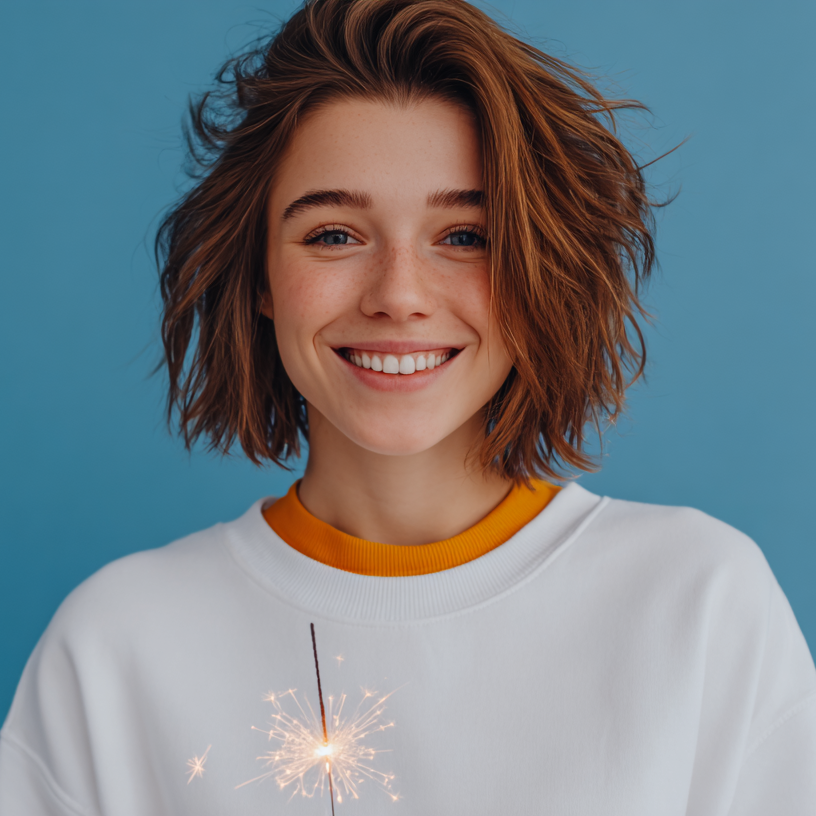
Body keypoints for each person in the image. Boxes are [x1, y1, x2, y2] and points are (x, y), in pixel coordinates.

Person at [1, 0, 814, 813]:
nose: (398, 296)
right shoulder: (115, 646)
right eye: (333, 235)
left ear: (538, 270)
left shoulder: (700, 604)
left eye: (464, 236)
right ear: (257, 278)